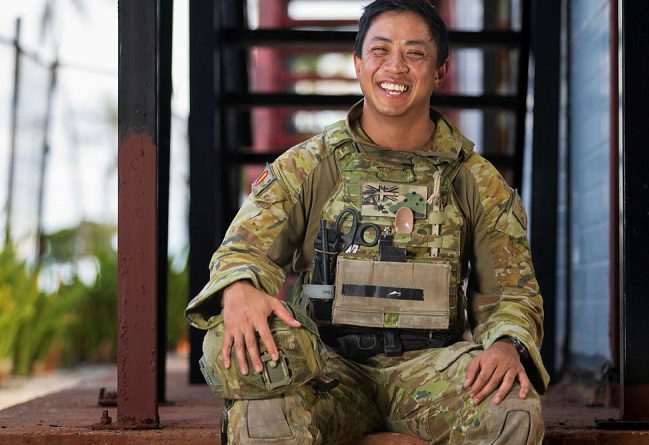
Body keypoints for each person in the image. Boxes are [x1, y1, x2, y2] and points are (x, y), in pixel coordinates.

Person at [186, 1, 549, 443]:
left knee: (513, 412)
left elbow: (510, 293)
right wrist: (240, 288)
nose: (395, 67)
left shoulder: (474, 179)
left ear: (440, 71)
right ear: (359, 64)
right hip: (325, 370)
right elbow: (244, 250)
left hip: (430, 374)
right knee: (262, 412)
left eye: (414, 53)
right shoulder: (310, 165)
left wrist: (506, 344)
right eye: (379, 51)